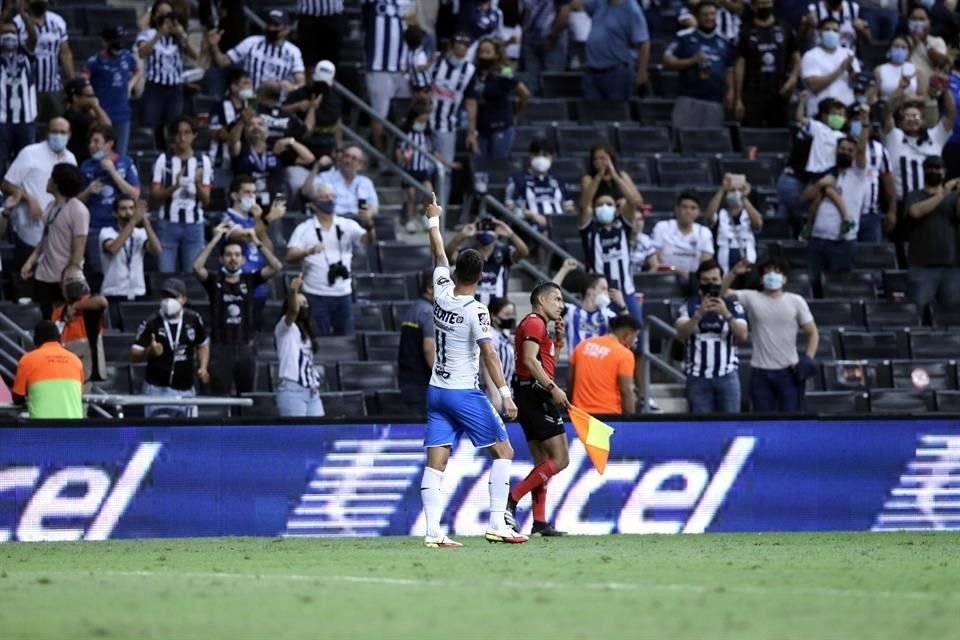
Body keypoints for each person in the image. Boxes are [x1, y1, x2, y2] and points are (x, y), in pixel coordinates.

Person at [419, 193, 526, 547]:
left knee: (437, 461)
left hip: (436, 390)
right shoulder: (477, 310)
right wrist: (506, 395)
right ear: (481, 276)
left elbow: (438, 253)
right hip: (464, 393)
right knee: (505, 452)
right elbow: (490, 355)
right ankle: (498, 522)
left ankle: (434, 531)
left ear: (455, 272)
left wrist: (433, 220)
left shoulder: (442, 291)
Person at [504, 281, 569, 537]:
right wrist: (553, 389)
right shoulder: (534, 322)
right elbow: (531, 361)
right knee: (561, 459)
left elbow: (544, 362)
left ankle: (540, 522)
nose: (561, 305)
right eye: (557, 299)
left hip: (528, 394)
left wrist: (559, 343)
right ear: (541, 300)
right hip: (535, 394)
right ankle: (511, 499)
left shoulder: (541, 327)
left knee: (542, 461)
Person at [193, 221, 282, 396]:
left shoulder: (250, 279)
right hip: (220, 349)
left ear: (243, 259)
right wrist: (215, 238)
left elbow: (276, 266)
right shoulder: (214, 280)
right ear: (221, 259)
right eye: (228, 255)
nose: (233, 258)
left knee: (247, 398)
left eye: (237, 255)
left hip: (246, 348)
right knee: (220, 397)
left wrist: (256, 241)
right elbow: (197, 267)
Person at [723, 258, 819, 412]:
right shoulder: (751, 297)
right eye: (767, 273)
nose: (772, 275)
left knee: (790, 421)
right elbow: (721, 293)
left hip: (789, 372)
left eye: (776, 272)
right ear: (761, 279)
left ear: (785, 278)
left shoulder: (796, 301)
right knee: (763, 421)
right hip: (760, 373)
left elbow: (812, 332)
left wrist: (808, 358)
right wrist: (734, 273)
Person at [1, 117, 76, 299]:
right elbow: (6, 184)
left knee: (51, 292)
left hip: (57, 234)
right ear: (46, 133)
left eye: (62, 132)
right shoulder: (30, 153)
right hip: (29, 228)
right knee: (26, 288)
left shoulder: (70, 158)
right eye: (54, 131)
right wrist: (29, 198)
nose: (58, 136)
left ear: (70, 135)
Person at [285, 185, 374, 336]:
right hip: (315, 295)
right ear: (314, 204)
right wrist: (309, 251)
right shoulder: (304, 228)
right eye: (325, 197)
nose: (330, 200)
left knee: (347, 340)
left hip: (343, 294)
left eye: (333, 196)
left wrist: (370, 225)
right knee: (319, 339)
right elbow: (290, 255)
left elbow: (369, 240)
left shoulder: (347, 224)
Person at [800, 122, 869, 292]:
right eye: (843, 149)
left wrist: (864, 123)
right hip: (817, 239)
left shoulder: (858, 173)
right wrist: (820, 185)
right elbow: (803, 199)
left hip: (843, 241)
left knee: (839, 288)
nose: (846, 152)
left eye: (850, 151)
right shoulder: (827, 172)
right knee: (813, 287)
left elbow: (861, 149)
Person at [130, 277, 210, 418]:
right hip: (157, 390)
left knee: (187, 436)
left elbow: (202, 345)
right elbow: (134, 354)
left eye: (174, 297)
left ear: (184, 299)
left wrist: (203, 367)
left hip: (187, 390)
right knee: (162, 435)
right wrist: (150, 351)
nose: (169, 301)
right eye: (165, 296)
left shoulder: (194, 319)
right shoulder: (151, 322)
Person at [675, 259, 748, 414]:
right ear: (699, 282)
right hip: (697, 377)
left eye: (714, 280)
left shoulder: (733, 305)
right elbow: (681, 333)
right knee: (701, 429)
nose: (710, 284)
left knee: (731, 426)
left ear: (721, 281)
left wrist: (726, 314)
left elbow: (743, 335)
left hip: (727, 375)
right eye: (706, 280)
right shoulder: (688, 305)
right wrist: (699, 313)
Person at [20, 163, 89, 319]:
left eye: (51, 177)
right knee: (47, 318)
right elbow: (46, 238)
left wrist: (73, 274)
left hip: (64, 278)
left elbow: (79, 246)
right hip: (44, 275)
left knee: (65, 321)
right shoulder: (51, 207)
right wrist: (31, 261)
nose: (48, 180)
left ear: (57, 183)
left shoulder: (78, 210)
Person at [221, 174, 287, 325]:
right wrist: (268, 218)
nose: (252, 196)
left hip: (257, 284)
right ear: (234, 195)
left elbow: (268, 248)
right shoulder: (226, 217)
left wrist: (259, 219)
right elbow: (244, 236)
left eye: (254, 193)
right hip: (235, 286)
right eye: (247, 192)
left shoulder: (253, 221)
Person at [149, 116, 213, 273]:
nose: (182, 137)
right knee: (165, 275)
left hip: (194, 226)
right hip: (167, 225)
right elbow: (155, 196)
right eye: (178, 133)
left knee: (193, 277)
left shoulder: (203, 161)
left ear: (194, 135)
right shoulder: (163, 160)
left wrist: (197, 184)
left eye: (187, 133)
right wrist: (174, 186)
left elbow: (206, 200)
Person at [78, 124, 141, 275]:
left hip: (120, 227)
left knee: (121, 270)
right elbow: (76, 202)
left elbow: (134, 194)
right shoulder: (86, 166)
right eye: (90, 142)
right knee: (97, 272)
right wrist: (88, 191)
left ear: (109, 143)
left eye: (96, 141)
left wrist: (113, 172)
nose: (91, 146)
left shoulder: (126, 163)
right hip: (95, 228)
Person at [136, 2, 200, 149]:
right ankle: (155, 155)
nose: (165, 17)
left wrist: (181, 35)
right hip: (155, 85)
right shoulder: (148, 34)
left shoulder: (177, 36)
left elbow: (195, 55)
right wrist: (160, 34)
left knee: (174, 124)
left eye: (168, 14)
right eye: (161, 13)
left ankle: (173, 154)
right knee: (152, 124)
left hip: (175, 87)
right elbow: (142, 52)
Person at [663, 1, 735, 129]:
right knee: (682, 141)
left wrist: (730, 91)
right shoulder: (684, 37)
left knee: (711, 144)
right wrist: (691, 61)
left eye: (712, 14)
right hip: (688, 98)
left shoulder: (724, 42)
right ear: (697, 17)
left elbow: (729, 68)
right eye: (705, 15)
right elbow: (667, 60)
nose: (709, 18)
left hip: (714, 101)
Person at [883, 79, 956, 203]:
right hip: (901, 203)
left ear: (923, 121)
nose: (912, 120)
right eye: (907, 117)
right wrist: (899, 89)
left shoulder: (935, 137)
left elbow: (950, 115)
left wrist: (945, 89)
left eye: (916, 116)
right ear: (900, 123)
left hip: (932, 201)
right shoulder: (894, 137)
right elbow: (886, 113)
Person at [903, 157, 960, 313]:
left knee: (952, 318)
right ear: (924, 171)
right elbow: (915, 212)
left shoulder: (953, 198)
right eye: (930, 168)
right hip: (921, 267)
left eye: (938, 168)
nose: (934, 171)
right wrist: (943, 194)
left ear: (944, 172)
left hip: (952, 268)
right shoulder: (914, 195)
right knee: (918, 314)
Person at [472, 38, 529, 192]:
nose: (483, 55)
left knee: (498, 165)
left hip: (501, 125)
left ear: (496, 55)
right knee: (480, 169)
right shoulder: (473, 72)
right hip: (480, 127)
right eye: (481, 52)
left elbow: (524, 94)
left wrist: (517, 114)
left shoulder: (504, 72)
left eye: (487, 52)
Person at [428, 32, 479, 199]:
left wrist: (471, 132)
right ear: (450, 47)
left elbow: (471, 102)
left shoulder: (469, 70)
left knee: (445, 171)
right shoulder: (435, 61)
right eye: (457, 50)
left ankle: (439, 214)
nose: (460, 54)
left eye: (463, 51)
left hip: (447, 124)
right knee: (421, 168)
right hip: (424, 121)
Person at [733, 0, 800, 128]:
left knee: (779, 136)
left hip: (779, 93)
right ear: (753, 6)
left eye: (767, 2)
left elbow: (796, 56)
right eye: (761, 3)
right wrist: (738, 98)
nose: (764, 6)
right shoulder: (745, 31)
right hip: (753, 94)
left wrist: (793, 78)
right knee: (752, 137)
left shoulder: (784, 28)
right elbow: (740, 64)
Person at [579, 191, 644, 321]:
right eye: (600, 204)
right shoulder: (589, 231)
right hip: (599, 294)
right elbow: (584, 205)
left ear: (616, 209)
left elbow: (634, 200)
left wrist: (614, 174)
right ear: (594, 208)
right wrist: (599, 176)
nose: (604, 207)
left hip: (626, 292)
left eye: (609, 204)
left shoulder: (623, 227)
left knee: (635, 333)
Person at [99, 196, 162, 330]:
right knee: (116, 336)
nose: (128, 212)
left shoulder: (140, 233)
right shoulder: (106, 232)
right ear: (115, 213)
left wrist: (145, 222)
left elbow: (157, 250)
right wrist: (133, 221)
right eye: (123, 209)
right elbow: (113, 249)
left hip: (137, 292)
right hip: (113, 292)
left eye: (132, 208)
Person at [208, 9, 306, 92]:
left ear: (286, 29)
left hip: (277, 102)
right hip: (250, 97)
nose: (271, 28)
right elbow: (223, 62)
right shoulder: (251, 42)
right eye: (269, 24)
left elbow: (301, 82)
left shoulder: (293, 52)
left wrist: (292, 88)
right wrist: (214, 46)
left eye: (276, 25)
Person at [230, 114, 315, 209]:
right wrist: (242, 121)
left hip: (277, 201)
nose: (256, 127)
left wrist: (291, 141)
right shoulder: (242, 149)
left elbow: (309, 158)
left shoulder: (277, 149)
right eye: (250, 125)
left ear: (267, 132)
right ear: (245, 134)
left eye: (260, 124)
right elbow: (233, 141)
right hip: (248, 201)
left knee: (282, 198)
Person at [444, 217, 530, 306]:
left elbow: (524, 252)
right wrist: (462, 235)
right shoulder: (468, 254)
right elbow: (447, 255)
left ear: (497, 233)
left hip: (498, 310)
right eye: (481, 227)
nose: (486, 231)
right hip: (471, 308)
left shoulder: (504, 252)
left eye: (491, 227)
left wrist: (511, 234)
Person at [568, 313, 641, 415]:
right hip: (609, 416)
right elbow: (626, 390)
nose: (634, 341)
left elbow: (570, 380)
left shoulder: (583, 345)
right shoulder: (625, 354)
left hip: (580, 416)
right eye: (635, 337)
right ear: (626, 335)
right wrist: (632, 421)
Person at [362, 0, 411, 151]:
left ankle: (400, 153)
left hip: (402, 68)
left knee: (407, 114)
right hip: (378, 67)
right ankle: (380, 155)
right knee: (379, 116)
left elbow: (412, 24)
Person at [14, 0, 73, 122]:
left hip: (53, 87)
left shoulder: (57, 21)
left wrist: (72, 80)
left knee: (57, 125)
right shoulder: (17, 22)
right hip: (27, 88)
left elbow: (65, 52)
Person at [84, 27, 139, 157]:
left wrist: (130, 85)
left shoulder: (127, 57)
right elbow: (83, 79)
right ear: (105, 42)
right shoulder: (95, 61)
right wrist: (92, 104)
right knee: (99, 153)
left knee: (120, 154)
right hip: (103, 114)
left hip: (122, 114)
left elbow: (138, 70)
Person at [11, 320, 84, 419]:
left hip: (42, 429)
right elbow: (78, 393)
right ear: (59, 338)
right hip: (74, 429)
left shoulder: (28, 360)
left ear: (35, 340)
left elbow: (17, 397)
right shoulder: (76, 360)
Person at [275, 274, 325, 417]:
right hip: (292, 390)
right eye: (300, 303)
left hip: (312, 390)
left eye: (306, 304)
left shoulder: (307, 333)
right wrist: (293, 291)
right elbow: (293, 311)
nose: (304, 307)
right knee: (297, 437)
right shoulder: (284, 327)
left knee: (318, 434)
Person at [51, 264, 108, 387]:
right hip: (64, 370)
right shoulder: (58, 312)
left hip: (86, 370)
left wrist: (76, 306)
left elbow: (102, 302)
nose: (74, 283)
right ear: (61, 285)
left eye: (78, 279)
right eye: (69, 280)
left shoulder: (89, 303)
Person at [581, 0, 650, 100]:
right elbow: (577, 5)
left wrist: (641, 74)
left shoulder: (632, 9)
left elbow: (644, 43)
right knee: (590, 113)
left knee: (616, 113)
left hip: (617, 73)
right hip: (591, 72)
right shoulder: (599, 3)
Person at [504, 137, 574, 231]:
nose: (541, 159)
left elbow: (569, 206)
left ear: (551, 157)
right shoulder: (517, 179)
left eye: (545, 155)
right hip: (530, 228)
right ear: (530, 156)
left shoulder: (559, 179)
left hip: (558, 227)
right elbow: (508, 208)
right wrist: (530, 215)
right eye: (537, 155)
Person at [284, 60, 344, 162]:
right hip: (301, 148)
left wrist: (339, 148)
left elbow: (337, 124)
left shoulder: (334, 99)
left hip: (325, 149)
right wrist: (298, 106)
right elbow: (281, 111)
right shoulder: (297, 94)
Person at [396, 97, 441, 233]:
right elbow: (398, 149)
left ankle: (423, 214)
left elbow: (432, 151)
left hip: (422, 170)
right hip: (409, 169)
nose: (426, 119)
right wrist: (402, 158)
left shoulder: (426, 134)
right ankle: (410, 220)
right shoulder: (407, 132)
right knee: (411, 196)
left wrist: (449, 164)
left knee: (430, 194)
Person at [800, 17, 859, 118]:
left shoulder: (848, 54)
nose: (831, 33)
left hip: (846, 112)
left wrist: (850, 71)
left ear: (840, 34)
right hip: (820, 114)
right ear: (819, 33)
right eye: (827, 30)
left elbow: (857, 84)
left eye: (835, 30)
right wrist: (840, 69)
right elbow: (814, 85)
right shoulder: (810, 55)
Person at [0, 16, 38, 173]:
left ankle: (23, 194)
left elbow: (33, 36)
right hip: (2, 120)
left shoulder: (27, 55)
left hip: (26, 119)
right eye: (5, 32)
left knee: (25, 161)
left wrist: (23, 14)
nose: (9, 35)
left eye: (13, 32)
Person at [703, 173, 762, 275]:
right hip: (724, 258)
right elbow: (708, 216)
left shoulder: (748, 213)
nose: (735, 193)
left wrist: (744, 198)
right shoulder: (720, 214)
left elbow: (758, 223)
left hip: (747, 257)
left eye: (738, 191)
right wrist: (722, 189)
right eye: (732, 191)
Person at [303, 145, 379, 219]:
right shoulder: (327, 177)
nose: (348, 160)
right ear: (341, 158)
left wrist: (369, 213)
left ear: (360, 165)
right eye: (346, 156)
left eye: (354, 158)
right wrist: (317, 166)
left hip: (357, 221)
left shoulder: (365, 182)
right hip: (333, 220)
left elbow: (374, 205)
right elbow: (306, 192)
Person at [397, 269, 436, 413]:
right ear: (430, 288)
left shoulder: (414, 308)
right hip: (422, 384)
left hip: (408, 381)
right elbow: (429, 349)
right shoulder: (428, 312)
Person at [651, 191, 715, 278]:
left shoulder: (704, 232)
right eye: (684, 207)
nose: (688, 211)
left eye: (693, 208)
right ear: (677, 209)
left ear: (698, 212)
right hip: (664, 277)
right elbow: (654, 260)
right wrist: (674, 270)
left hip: (693, 280)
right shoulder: (662, 227)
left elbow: (706, 265)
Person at [579, 144, 645, 224]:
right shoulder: (588, 179)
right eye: (595, 159)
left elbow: (638, 201)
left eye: (602, 158)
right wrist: (599, 176)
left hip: (622, 216)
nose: (598, 162)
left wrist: (615, 176)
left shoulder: (622, 176)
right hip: (598, 217)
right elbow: (584, 204)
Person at [521, 0, 572, 95]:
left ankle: (554, 109)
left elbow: (564, 13)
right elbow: (527, 9)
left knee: (552, 83)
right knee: (532, 87)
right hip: (530, 41)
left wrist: (552, 36)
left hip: (553, 41)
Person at [209, 66, 253, 173]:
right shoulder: (219, 106)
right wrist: (239, 128)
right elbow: (216, 133)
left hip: (245, 160)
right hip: (222, 157)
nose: (250, 87)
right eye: (245, 84)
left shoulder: (251, 106)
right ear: (233, 87)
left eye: (250, 84)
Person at [481, 297, 516, 414]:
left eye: (512, 315)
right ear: (494, 316)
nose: (510, 319)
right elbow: (487, 363)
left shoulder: (505, 334)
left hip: (506, 388)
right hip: (491, 391)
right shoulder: (490, 334)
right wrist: (494, 393)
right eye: (506, 315)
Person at [62, 77, 110, 164]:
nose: (93, 99)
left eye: (93, 96)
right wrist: (96, 106)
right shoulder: (74, 116)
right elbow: (106, 126)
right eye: (89, 96)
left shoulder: (86, 113)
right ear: (76, 97)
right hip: (80, 161)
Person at [800, 0, 869, 53]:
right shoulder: (813, 9)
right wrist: (807, 25)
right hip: (819, 59)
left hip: (848, 58)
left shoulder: (854, 8)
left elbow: (869, 41)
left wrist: (861, 30)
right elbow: (801, 40)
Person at [904, 5, 949, 87]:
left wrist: (925, 42)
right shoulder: (902, 41)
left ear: (929, 22)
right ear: (908, 21)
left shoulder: (937, 41)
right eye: (914, 19)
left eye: (921, 19)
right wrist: (914, 43)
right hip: (906, 88)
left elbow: (942, 63)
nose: (917, 22)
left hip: (928, 89)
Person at [296, 0, 344, 68]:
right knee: (307, 58)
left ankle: (330, 78)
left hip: (332, 15)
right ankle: (308, 78)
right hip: (308, 16)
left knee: (332, 58)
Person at [874, 36, 923, 102]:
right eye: (896, 47)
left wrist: (911, 98)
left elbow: (923, 98)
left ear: (908, 51)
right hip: (886, 108)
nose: (899, 50)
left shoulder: (916, 70)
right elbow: (874, 94)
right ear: (890, 49)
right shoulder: (879, 70)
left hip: (909, 107)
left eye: (903, 48)